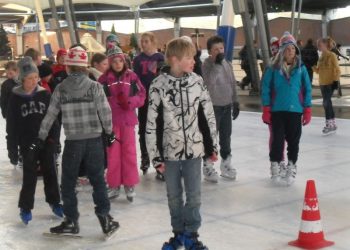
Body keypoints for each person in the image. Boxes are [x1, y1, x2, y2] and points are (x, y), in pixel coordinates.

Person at [32, 46, 119, 236]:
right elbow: (105, 112)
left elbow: (50, 115)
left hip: (73, 143)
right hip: (94, 141)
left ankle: (71, 221)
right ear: (85, 67)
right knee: (97, 182)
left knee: (69, 183)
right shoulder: (95, 87)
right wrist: (109, 132)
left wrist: (41, 136)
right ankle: (105, 219)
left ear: (69, 68)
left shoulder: (61, 89)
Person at [146, 38, 218, 250]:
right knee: (174, 197)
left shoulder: (197, 81)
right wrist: (155, 156)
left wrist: (211, 145)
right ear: (176, 59)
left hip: (194, 150)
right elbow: (151, 124)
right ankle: (178, 235)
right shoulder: (158, 86)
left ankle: (191, 235)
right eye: (189, 57)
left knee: (194, 196)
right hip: (169, 153)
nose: (194, 61)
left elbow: (207, 115)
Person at [6, 57, 63, 224]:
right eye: (29, 78)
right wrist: (12, 148)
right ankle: (25, 207)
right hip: (27, 143)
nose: (33, 81)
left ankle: (54, 202)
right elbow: (12, 124)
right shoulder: (15, 97)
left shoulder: (44, 94)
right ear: (22, 79)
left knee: (50, 172)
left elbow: (54, 119)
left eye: (35, 77)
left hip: (46, 141)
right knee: (29, 176)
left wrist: (55, 140)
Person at [261, 32, 312, 186]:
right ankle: (275, 165)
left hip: (295, 110)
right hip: (278, 110)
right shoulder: (273, 68)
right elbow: (266, 88)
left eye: (293, 48)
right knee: (277, 140)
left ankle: (291, 165)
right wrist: (266, 108)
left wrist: (307, 108)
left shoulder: (301, 68)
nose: (291, 51)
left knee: (293, 141)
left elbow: (307, 89)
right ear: (282, 51)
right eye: (288, 49)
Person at [98, 46, 146, 201]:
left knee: (129, 153)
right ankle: (114, 185)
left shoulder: (132, 77)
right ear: (110, 63)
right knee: (113, 155)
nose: (118, 64)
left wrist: (130, 102)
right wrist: (110, 103)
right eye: (114, 61)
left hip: (127, 122)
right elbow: (98, 100)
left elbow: (142, 94)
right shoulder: (103, 80)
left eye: (120, 60)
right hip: (110, 124)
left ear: (124, 61)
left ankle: (129, 184)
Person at [201, 35, 239, 183]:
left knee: (226, 136)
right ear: (210, 51)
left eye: (221, 48)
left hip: (226, 105)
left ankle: (226, 163)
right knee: (211, 137)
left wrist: (235, 101)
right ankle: (208, 165)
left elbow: (232, 83)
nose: (219, 51)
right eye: (215, 49)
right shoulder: (207, 65)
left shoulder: (227, 64)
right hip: (213, 107)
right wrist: (216, 64)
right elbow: (209, 83)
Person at [133, 31, 165, 179]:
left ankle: (160, 163)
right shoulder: (138, 59)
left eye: (146, 41)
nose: (144, 44)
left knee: (159, 130)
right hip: (144, 100)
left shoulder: (160, 58)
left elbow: (164, 77)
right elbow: (135, 79)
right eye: (142, 41)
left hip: (158, 100)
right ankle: (145, 157)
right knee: (144, 129)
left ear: (153, 42)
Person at [313, 38, 341, 135]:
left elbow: (337, 69)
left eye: (320, 44)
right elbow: (318, 70)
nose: (318, 46)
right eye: (318, 45)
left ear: (325, 45)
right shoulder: (321, 57)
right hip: (322, 83)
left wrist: (335, 81)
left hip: (330, 83)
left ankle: (329, 124)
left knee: (326, 103)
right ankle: (332, 124)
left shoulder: (332, 55)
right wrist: (312, 65)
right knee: (327, 103)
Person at [1, 61, 20, 166]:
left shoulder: (22, 82)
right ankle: (13, 156)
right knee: (12, 135)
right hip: (10, 115)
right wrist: (4, 113)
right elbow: (3, 100)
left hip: (22, 115)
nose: (8, 76)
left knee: (23, 134)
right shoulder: (5, 85)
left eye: (10, 73)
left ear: (17, 71)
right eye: (7, 73)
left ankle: (23, 153)